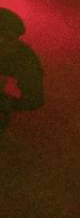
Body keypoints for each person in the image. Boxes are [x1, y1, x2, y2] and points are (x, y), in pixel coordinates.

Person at [0, 8, 44, 136]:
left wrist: (8, 96)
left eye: (8, 38)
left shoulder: (25, 58)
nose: (1, 42)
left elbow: (35, 99)